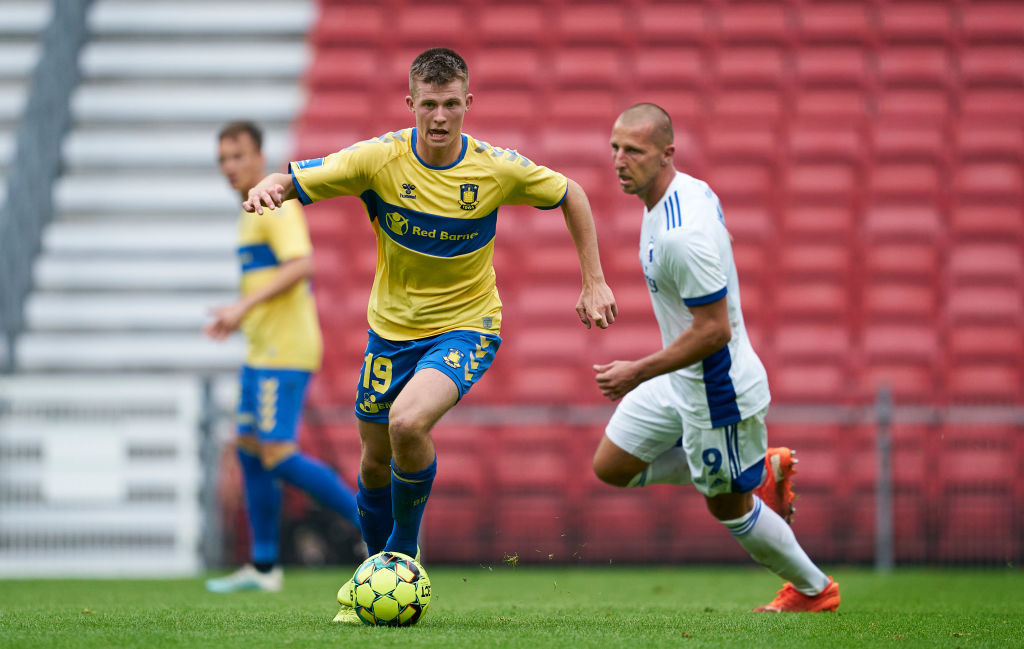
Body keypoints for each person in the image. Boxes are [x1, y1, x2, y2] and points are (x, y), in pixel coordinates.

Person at [242, 49, 617, 620]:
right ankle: (378, 574)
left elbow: (572, 194)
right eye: (428, 105)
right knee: (373, 463)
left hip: (467, 327)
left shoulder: (494, 167)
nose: (439, 117)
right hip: (390, 333)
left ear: (468, 104)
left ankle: (401, 557)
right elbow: (298, 177)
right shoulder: (379, 160)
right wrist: (273, 184)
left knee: (407, 422)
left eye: (451, 105)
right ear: (410, 104)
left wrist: (593, 281)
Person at [592, 103, 840, 613]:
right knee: (612, 466)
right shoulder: (690, 192)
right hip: (677, 381)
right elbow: (722, 244)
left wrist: (637, 370)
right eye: (615, 147)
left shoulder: (681, 236)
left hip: (717, 389)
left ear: (666, 154)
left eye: (633, 151)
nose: (619, 159)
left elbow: (714, 331)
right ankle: (755, 467)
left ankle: (814, 590)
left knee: (727, 506)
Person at [204, 121, 362, 593]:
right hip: (261, 349)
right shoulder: (249, 211)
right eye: (223, 160)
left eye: (238, 156)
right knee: (250, 450)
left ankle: (385, 533)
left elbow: (303, 264)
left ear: (259, 156)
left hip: (284, 349)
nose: (231, 168)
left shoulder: (273, 201)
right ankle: (265, 566)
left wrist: (241, 308)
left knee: (276, 452)